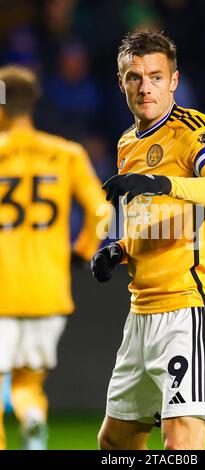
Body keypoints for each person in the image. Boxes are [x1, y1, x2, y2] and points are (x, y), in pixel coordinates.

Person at [91, 30, 205, 450]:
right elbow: (152, 217)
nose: (146, 88)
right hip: (140, 312)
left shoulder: (194, 130)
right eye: (135, 77)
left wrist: (162, 182)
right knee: (115, 444)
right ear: (120, 82)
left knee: (180, 445)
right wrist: (118, 248)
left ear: (174, 81)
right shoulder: (127, 143)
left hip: (188, 308)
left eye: (156, 77)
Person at [0, 65, 108, 450]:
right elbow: (101, 212)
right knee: (28, 384)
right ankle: (32, 422)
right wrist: (81, 253)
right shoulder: (66, 153)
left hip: (1, 290)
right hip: (47, 290)